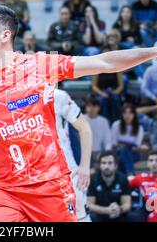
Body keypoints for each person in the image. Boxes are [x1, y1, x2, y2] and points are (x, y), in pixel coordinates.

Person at [0, 3, 157, 222]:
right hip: (7, 190)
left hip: (50, 188)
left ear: (5, 35)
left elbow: (105, 62)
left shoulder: (40, 65)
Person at [53, 88, 93, 222]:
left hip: (68, 171)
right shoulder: (12, 99)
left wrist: (84, 166)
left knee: (81, 217)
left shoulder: (57, 96)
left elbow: (84, 128)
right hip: (35, 177)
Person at [87, 152, 137, 222]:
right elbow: (89, 205)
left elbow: (127, 204)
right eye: (103, 163)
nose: (106, 166)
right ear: (100, 165)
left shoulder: (123, 179)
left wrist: (119, 209)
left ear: (116, 166)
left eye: (110, 163)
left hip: (117, 213)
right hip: (99, 214)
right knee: (90, 217)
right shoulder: (93, 179)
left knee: (133, 217)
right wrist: (106, 210)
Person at [111, 104, 148, 175]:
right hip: (118, 151)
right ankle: (130, 173)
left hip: (133, 153)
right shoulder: (116, 125)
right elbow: (113, 143)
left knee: (125, 152)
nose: (127, 115)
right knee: (123, 151)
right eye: (125, 113)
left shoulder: (139, 128)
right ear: (122, 114)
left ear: (134, 114)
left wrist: (125, 144)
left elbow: (137, 146)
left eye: (130, 113)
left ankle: (126, 174)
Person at [83, 96, 113, 165]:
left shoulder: (104, 121)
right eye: (89, 106)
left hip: (99, 153)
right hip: (83, 153)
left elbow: (107, 140)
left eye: (94, 106)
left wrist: (106, 154)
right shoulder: (80, 120)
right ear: (85, 107)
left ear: (98, 108)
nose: (91, 109)